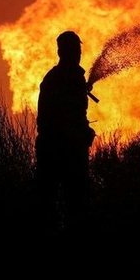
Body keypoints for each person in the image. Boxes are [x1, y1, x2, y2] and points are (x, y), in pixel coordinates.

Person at [36, 31, 96, 232]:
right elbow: (62, 117)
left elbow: (74, 113)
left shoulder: (67, 78)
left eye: (78, 49)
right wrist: (84, 133)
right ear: (62, 51)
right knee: (67, 204)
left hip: (60, 149)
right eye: (74, 49)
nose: (78, 53)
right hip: (61, 151)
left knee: (62, 203)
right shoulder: (61, 79)